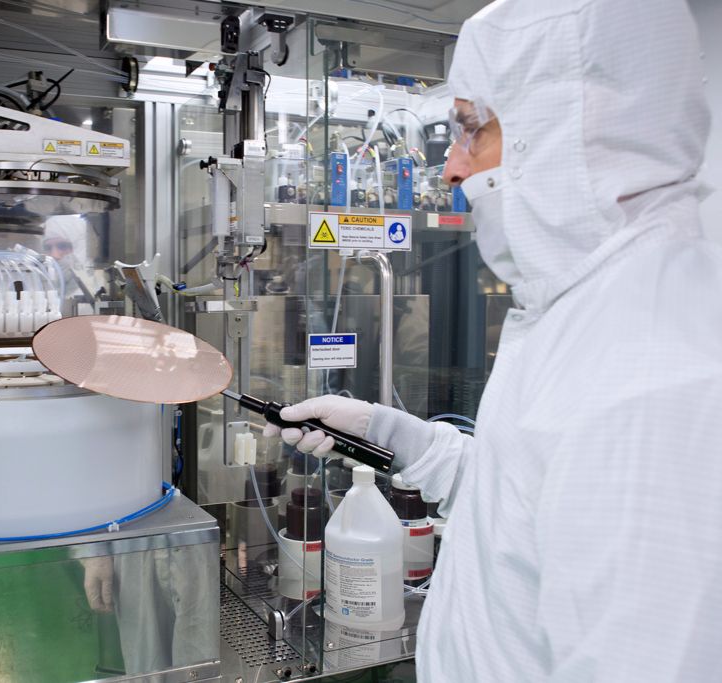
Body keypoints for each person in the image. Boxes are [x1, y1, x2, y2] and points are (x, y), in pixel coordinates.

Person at [266, 0, 722, 679]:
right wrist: (389, 432)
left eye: (471, 131)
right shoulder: (575, 310)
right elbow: (524, 502)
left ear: (571, 126)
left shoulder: (654, 380)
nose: (451, 168)